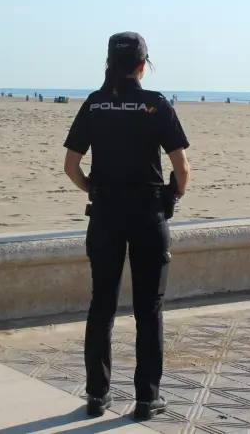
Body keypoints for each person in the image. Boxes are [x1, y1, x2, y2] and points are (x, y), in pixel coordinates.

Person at [62, 31, 191, 422]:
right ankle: (146, 399)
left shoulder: (95, 103)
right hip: (148, 214)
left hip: (105, 214)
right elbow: (182, 168)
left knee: (102, 305)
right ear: (142, 66)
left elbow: (71, 166)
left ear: (109, 64)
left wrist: (93, 189)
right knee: (148, 310)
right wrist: (173, 195)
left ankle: (97, 395)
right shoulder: (155, 104)